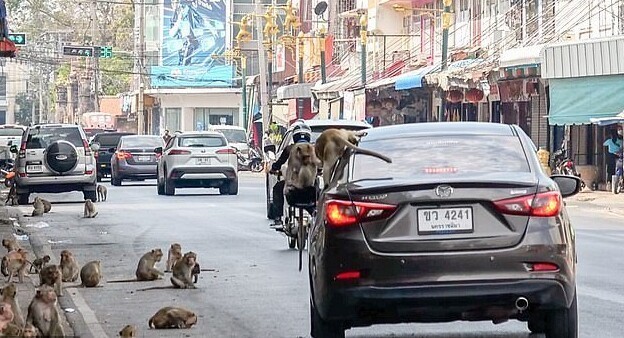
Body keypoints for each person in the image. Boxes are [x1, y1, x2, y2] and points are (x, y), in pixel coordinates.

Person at [268, 121, 315, 228]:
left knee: (277, 188)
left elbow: (278, 164)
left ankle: (278, 219)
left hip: (293, 188)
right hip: (310, 188)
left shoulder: (289, 149)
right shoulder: (313, 148)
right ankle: (318, 217)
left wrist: (273, 169)